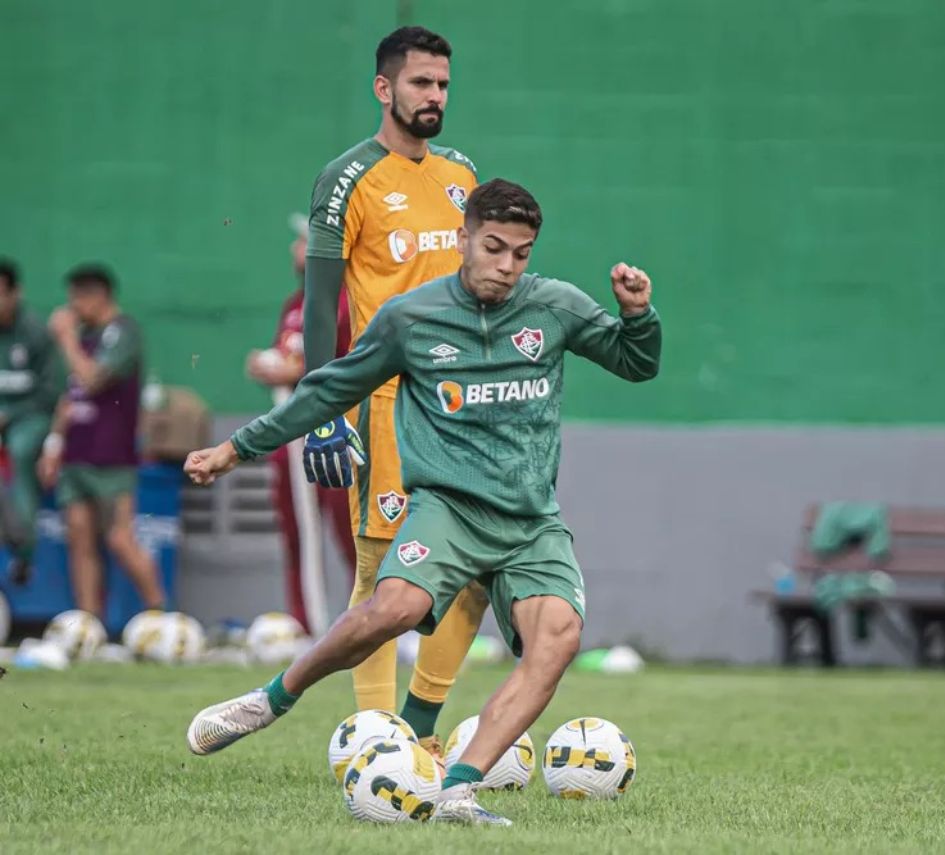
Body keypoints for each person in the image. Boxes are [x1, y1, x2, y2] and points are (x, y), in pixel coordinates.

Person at [184, 179, 661, 826]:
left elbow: (636, 363)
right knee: (395, 607)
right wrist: (234, 449)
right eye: (493, 247)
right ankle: (270, 699)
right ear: (464, 239)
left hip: (529, 522)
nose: (506, 265)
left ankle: (457, 791)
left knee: (558, 637)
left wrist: (637, 314)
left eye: (521, 253)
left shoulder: (555, 306)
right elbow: (327, 390)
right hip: (448, 510)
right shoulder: (411, 318)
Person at [299, 24, 488, 745]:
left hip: (465, 404)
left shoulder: (462, 174)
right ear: (384, 88)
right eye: (420, 82)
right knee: (384, 576)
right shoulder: (348, 178)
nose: (435, 95)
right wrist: (322, 410)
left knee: (477, 569)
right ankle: (377, 739)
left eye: (443, 84)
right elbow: (322, 304)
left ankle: (420, 728)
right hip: (389, 403)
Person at [245, 217, 357, 632]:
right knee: (297, 533)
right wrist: (270, 366)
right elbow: (288, 358)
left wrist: (296, 370)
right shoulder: (295, 304)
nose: (296, 250)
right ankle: (305, 623)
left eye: (304, 242)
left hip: (339, 429)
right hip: (294, 435)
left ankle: (370, 622)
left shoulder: (348, 300)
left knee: (353, 532)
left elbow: (345, 362)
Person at [37, 264, 166, 616]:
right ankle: (88, 623)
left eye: (78, 298)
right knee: (79, 540)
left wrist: (65, 338)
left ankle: (160, 614)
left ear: (99, 296)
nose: (72, 307)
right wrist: (53, 444)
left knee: (120, 539)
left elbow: (93, 379)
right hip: (76, 453)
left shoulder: (123, 333)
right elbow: (71, 396)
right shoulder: (84, 336)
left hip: (112, 455)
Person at [0, 260, 63, 584]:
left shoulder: (36, 332)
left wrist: (9, 415)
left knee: (22, 450)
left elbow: (51, 392)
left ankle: (23, 549)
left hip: (29, 418)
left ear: (15, 293)